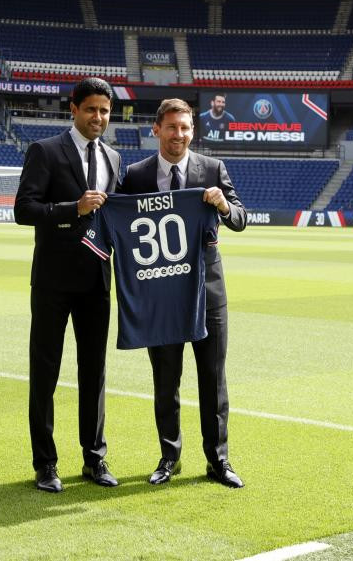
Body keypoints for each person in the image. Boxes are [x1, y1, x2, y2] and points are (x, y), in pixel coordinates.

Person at [121, 98, 247, 488]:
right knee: (165, 379)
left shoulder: (212, 168)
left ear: (194, 130)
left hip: (207, 294)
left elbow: (241, 219)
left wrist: (224, 205)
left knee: (213, 378)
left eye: (186, 128)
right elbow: (123, 227)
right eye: (173, 127)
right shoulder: (136, 175)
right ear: (156, 129)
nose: (180, 135)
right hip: (160, 297)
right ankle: (169, 457)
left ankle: (219, 461)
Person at [14, 77, 123, 493]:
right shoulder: (45, 151)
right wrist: (71, 209)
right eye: (91, 109)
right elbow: (24, 209)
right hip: (53, 282)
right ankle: (45, 464)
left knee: (94, 373)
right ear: (73, 109)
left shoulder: (113, 157)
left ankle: (94, 458)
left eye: (105, 111)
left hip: (97, 281)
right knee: (45, 373)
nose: (99, 118)